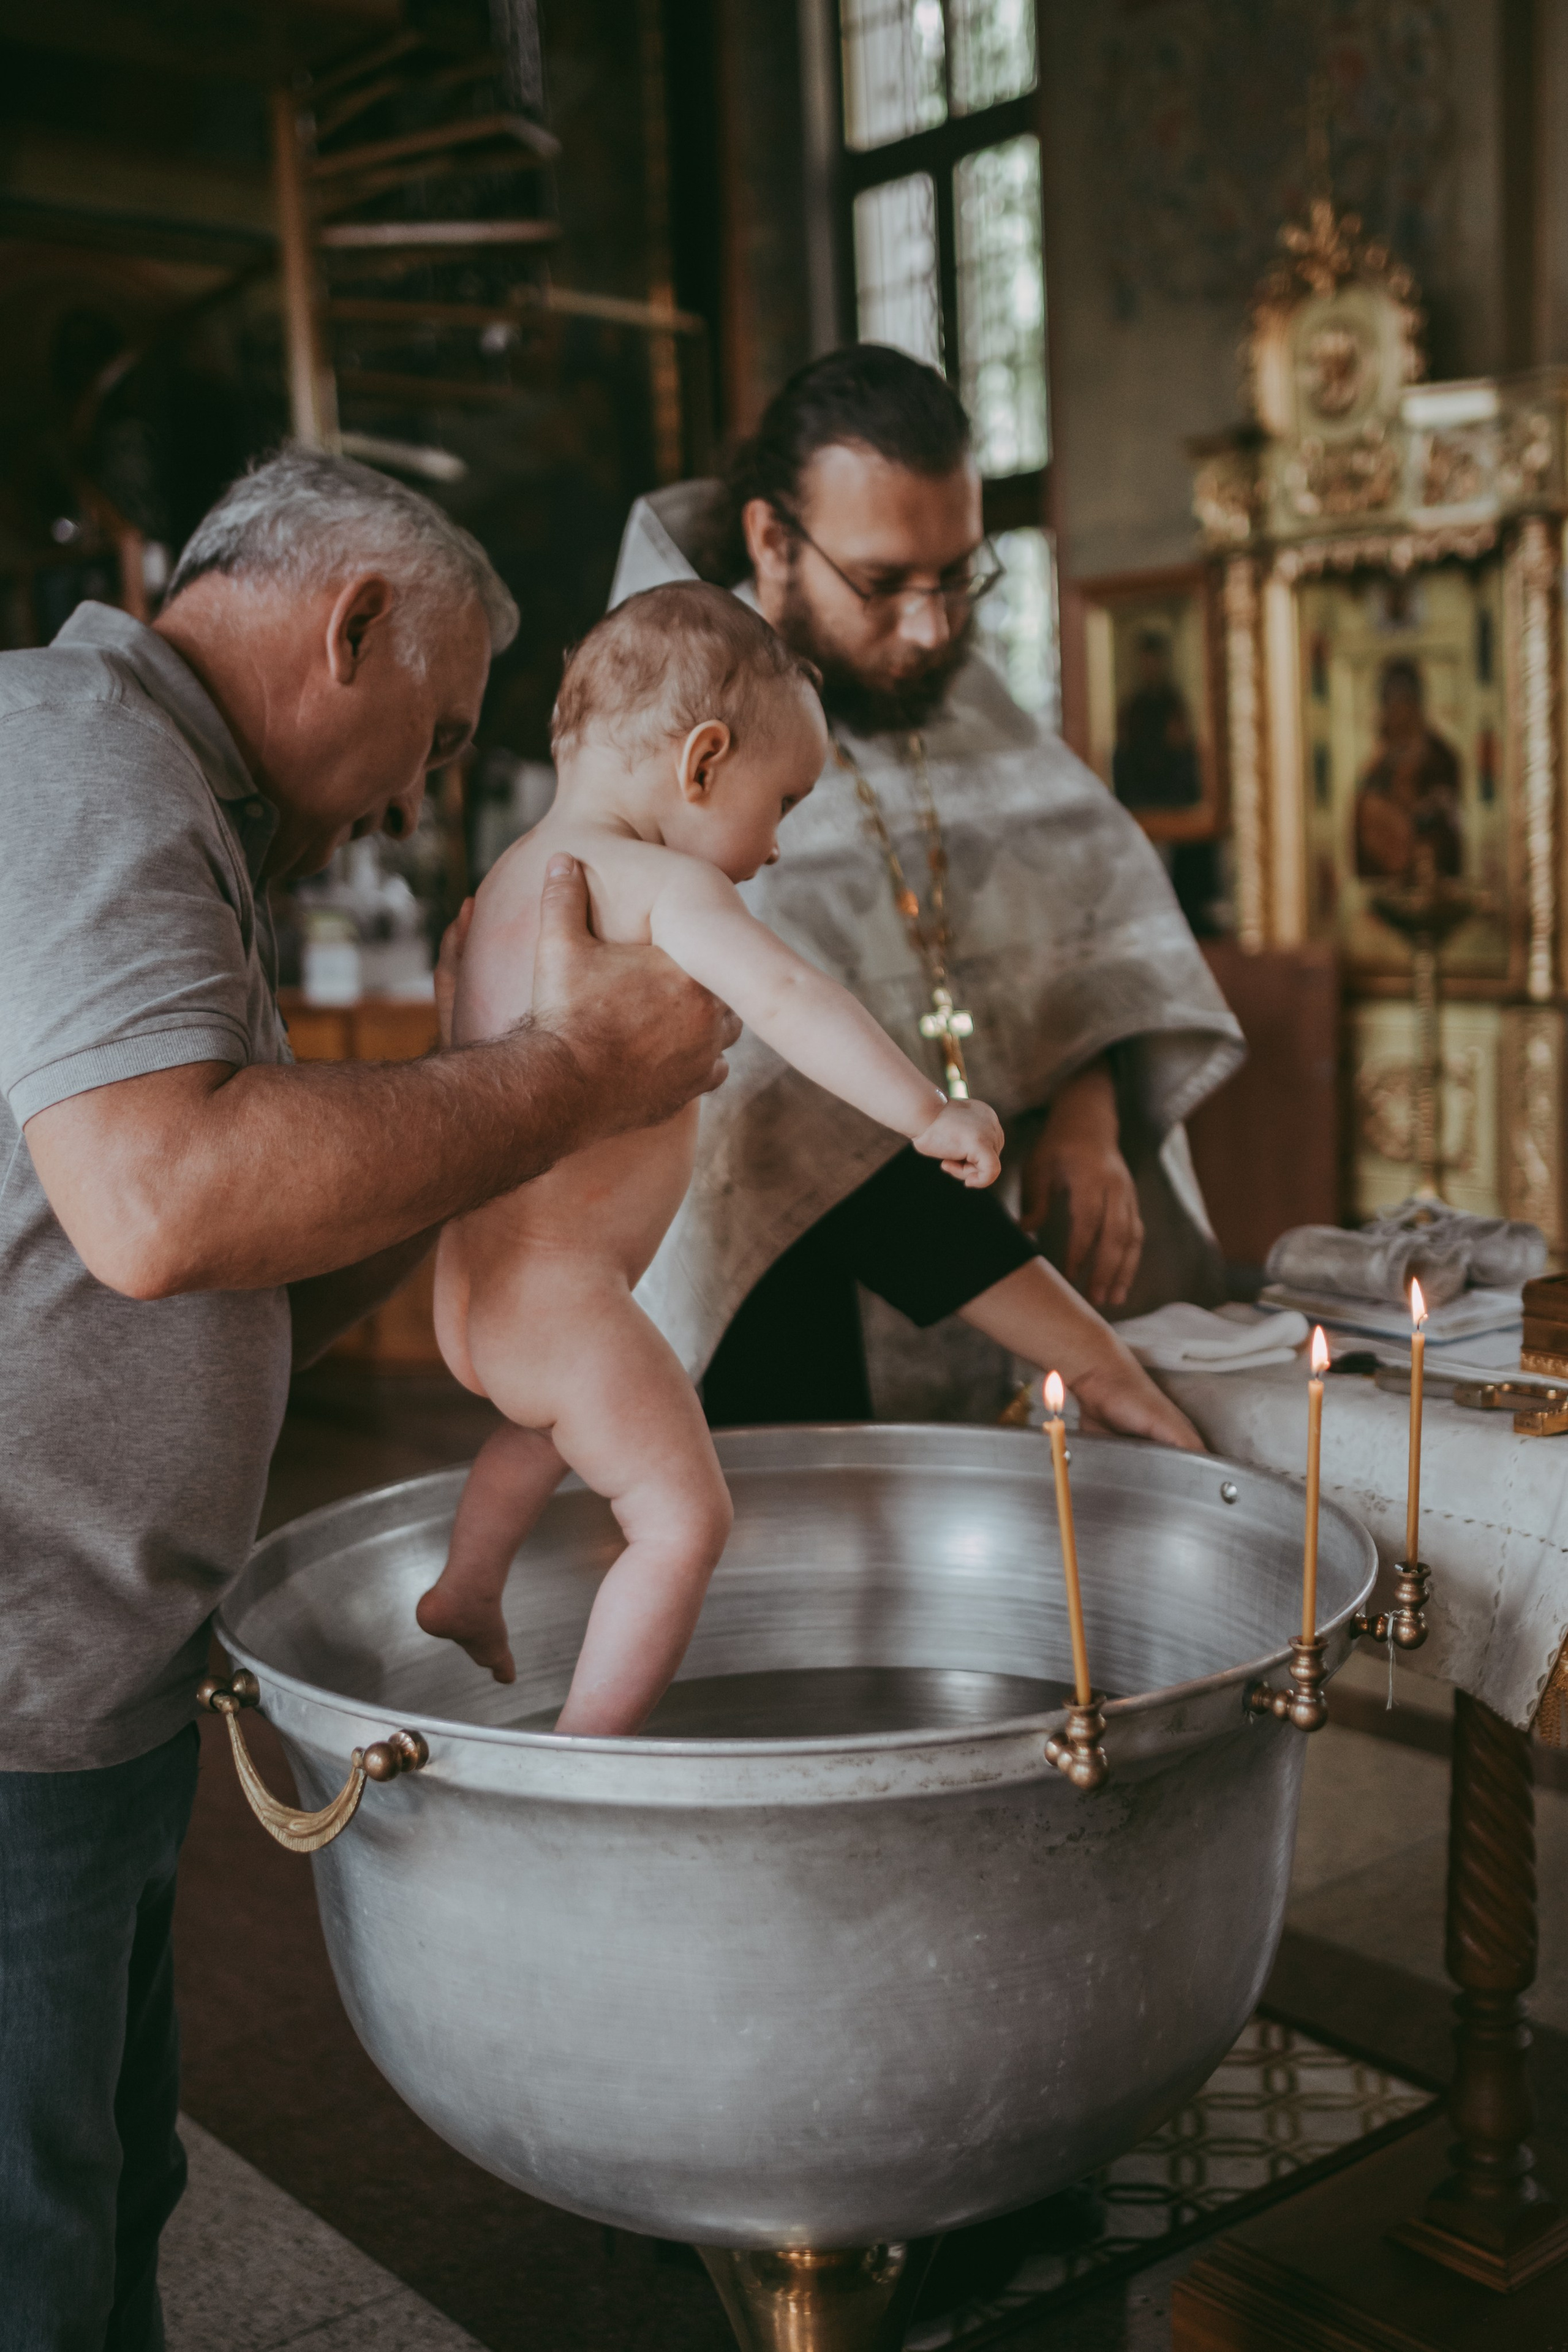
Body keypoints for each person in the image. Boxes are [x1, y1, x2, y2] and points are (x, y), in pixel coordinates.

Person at [0, 450, 738, 2346]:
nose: (428, 783)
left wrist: (486, 1196)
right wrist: (565, 1075)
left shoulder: (170, 795)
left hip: (82, 1667)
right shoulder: (82, 751)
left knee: (103, 2183)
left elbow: (207, 1257)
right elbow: (164, 1204)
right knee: (32, 2244)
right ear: (351, 624)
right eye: (443, 724)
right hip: (8, 1687)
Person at [607, 344, 1244, 1429]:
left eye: (958, 577)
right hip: (794, 1303)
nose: (932, 627)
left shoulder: (964, 700)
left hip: (1012, 1249)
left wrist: (1087, 1110)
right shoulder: (673, 743)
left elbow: (1088, 917)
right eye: (885, 582)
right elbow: (764, 1090)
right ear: (772, 538)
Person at [418, 584, 1010, 1727]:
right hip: (566, 1299)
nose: (778, 842)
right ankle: (587, 1762)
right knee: (686, 1522)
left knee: (539, 1430)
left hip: (475, 1295)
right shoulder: (664, 885)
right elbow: (789, 997)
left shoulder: (509, 880)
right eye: (780, 800)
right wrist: (929, 1115)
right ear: (701, 765)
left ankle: (467, 1584)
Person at [1354, 655, 1463, 883]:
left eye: (1404, 703)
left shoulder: (1441, 759)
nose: (1396, 715)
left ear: (1416, 706)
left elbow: (1447, 822)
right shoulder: (1377, 768)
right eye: (1391, 705)